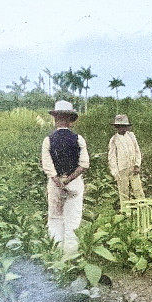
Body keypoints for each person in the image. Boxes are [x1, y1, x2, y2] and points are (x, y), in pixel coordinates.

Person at [40, 100, 89, 257]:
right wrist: (68, 180)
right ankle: (71, 255)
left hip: (55, 185)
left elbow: (47, 166)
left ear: (55, 119)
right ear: (70, 120)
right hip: (74, 183)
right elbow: (84, 165)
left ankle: (56, 253)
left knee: (55, 218)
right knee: (73, 220)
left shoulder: (48, 140)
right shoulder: (78, 139)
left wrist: (58, 181)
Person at [108, 114, 145, 208]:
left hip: (133, 168)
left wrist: (137, 164)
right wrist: (115, 173)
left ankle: (142, 208)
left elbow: (137, 151)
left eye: (124, 126)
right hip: (122, 169)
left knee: (138, 190)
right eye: (120, 126)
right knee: (124, 192)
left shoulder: (131, 136)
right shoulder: (114, 139)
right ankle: (126, 212)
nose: (122, 128)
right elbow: (112, 157)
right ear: (116, 127)